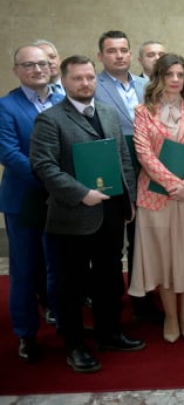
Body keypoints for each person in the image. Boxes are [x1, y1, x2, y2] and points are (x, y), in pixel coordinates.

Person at [30, 55, 145, 373]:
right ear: (64, 81)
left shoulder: (107, 113)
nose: (85, 83)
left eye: (90, 78)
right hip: (72, 217)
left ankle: (110, 334)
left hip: (111, 213)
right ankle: (75, 346)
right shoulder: (50, 119)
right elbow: (44, 166)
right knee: (71, 286)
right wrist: (82, 193)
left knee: (110, 278)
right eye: (77, 78)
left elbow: (122, 158)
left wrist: (129, 200)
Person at [129, 53, 184, 342]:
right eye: (170, 74)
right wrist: (171, 184)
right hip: (157, 197)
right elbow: (144, 154)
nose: (176, 80)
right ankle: (170, 315)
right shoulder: (143, 111)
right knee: (163, 258)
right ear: (159, 77)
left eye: (181, 75)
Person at [0, 45, 64, 362]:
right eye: (28, 65)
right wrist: (53, 178)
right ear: (17, 70)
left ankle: (65, 325)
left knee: (60, 267)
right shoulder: (6, 107)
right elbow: (9, 154)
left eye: (42, 63)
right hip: (25, 200)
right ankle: (26, 334)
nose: (37, 70)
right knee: (25, 271)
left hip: (62, 201)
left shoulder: (63, 100)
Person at [92, 30, 159, 323]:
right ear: (101, 56)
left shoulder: (147, 85)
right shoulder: (93, 85)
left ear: (131, 54)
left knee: (143, 241)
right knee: (110, 245)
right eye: (111, 51)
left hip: (149, 172)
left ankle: (142, 299)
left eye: (123, 50)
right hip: (112, 172)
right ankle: (111, 305)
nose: (119, 56)